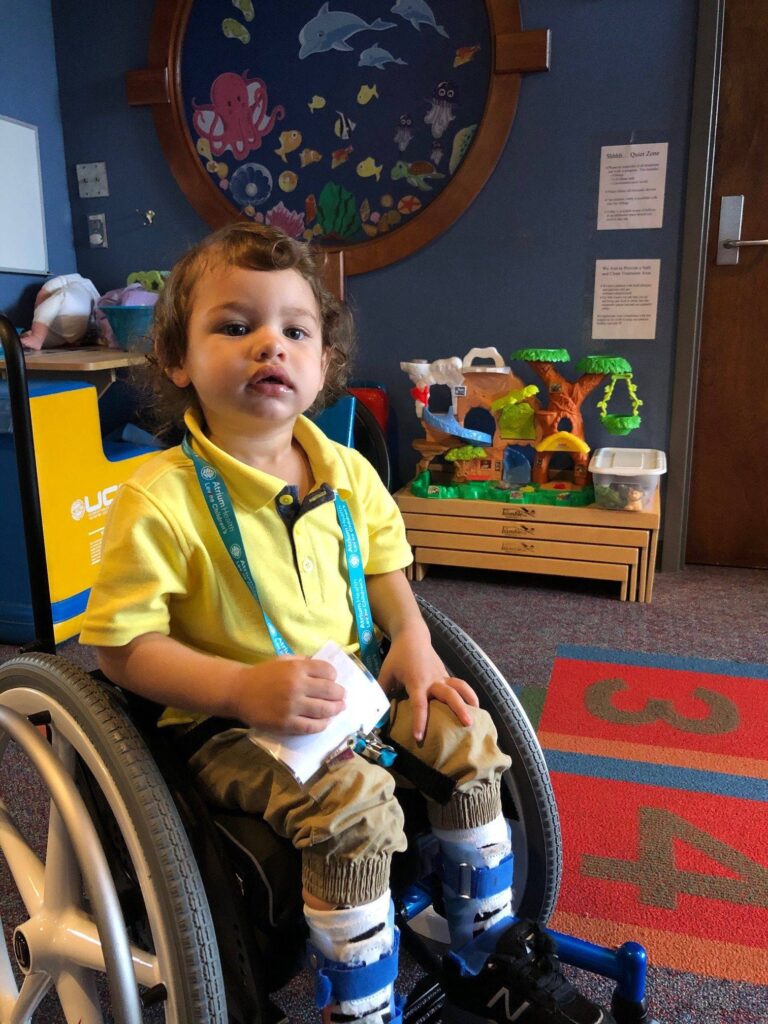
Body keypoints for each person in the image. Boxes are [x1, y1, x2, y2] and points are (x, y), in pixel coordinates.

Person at [80, 223, 613, 1024]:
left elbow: (385, 569)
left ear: (323, 363)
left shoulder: (347, 469)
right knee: (353, 802)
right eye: (236, 326)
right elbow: (119, 650)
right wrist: (241, 689)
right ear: (176, 359)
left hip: (354, 692)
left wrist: (413, 641)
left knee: (469, 736)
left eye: (295, 331)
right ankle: (358, 1007)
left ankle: (483, 951)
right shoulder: (157, 498)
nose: (271, 345)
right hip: (226, 722)